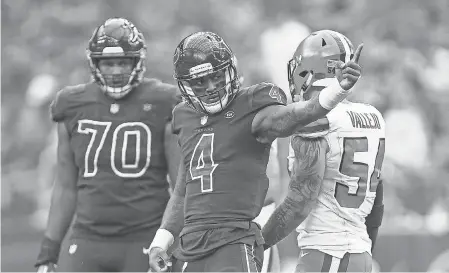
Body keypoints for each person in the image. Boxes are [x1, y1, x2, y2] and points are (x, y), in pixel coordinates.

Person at [146, 31, 362, 272]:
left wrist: (337, 90)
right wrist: (161, 240)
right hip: (189, 246)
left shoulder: (252, 104)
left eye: (216, 77)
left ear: (229, 70)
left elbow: (293, 116)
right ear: (185, 84)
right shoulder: (183, 116)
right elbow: (184, 188)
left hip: (233, 241)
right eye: (199, 81)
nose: (210, 87)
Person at [34, 17, 180, 272]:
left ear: (137, 61)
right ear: (95, 63)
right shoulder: (72, 104)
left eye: (122, 62)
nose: (115, 71)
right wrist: (49, 249)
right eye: (108, 63)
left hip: (145, 238)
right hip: (87, 240)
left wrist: (171, 238)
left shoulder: (164, 102)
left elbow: (181, 186)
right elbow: (66, 187)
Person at [261, 30, 385, 273]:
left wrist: (258, 242)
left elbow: (300, 200)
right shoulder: (373, 116)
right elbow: (377, 203)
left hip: (327, 254)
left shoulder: (318, 122)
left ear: (307, 72)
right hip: (359, 254)